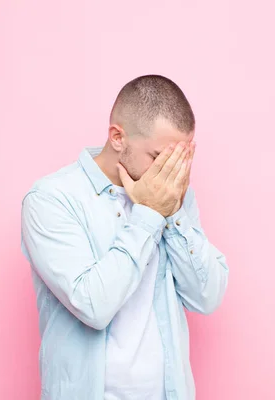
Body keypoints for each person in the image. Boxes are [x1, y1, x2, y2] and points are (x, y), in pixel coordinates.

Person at [20, 75, 229, 400]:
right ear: (118, 137)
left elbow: (208, 296)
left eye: (180, 160)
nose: (170, 173)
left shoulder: (172, 197)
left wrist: (172, 213)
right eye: (160, 158)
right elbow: (93, 306)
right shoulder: (52, 199)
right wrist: (148, 215)